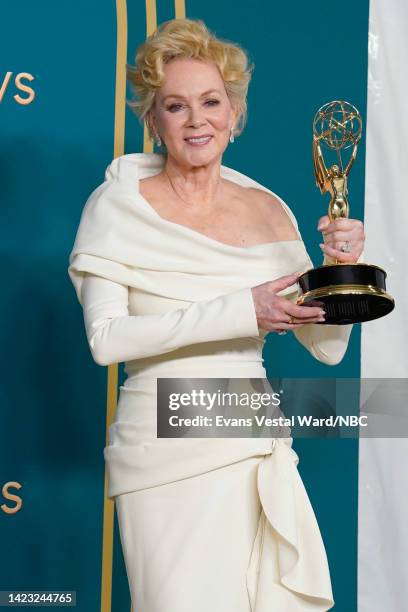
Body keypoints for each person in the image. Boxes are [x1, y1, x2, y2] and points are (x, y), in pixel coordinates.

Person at [68, 18, 365, 612]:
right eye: (176, 106)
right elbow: (105, 340)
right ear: (154, 119)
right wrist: (240, 310)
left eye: (211, 102)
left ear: (235, 113)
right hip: (164, 449)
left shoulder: (268, 210)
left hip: (252, 441)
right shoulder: (118, 204)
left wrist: (343, 272)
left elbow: (327, 347)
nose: (197, 119)